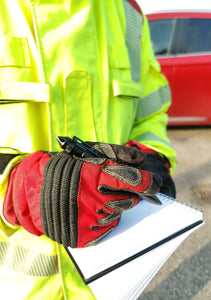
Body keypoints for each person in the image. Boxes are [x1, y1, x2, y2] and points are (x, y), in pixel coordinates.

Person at [0, 0, 176, 299]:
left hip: (114, 280)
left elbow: (151, 111)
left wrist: (151, 154)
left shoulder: (129, 14)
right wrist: (14, 184)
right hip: (16, 286)